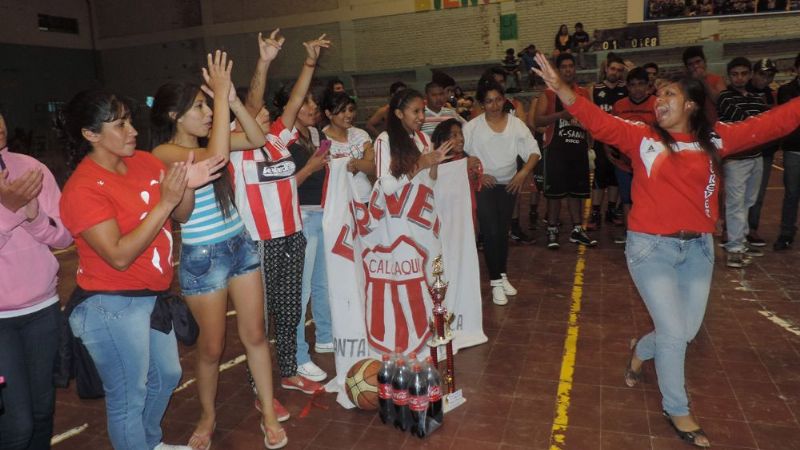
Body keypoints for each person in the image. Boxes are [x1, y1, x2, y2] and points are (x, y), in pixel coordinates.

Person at [532, 51, 800, 449]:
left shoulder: (714, 139)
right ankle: (677, 407)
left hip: (698, 251)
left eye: (669, 94)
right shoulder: (642, 138)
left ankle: (641, 351)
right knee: (675, 333)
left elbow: (769, 124)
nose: (659, 100)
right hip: (650, 250)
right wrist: (561, 89)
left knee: (684, 332)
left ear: (690, 104)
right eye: (658, 95)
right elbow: (597, 121)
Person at [59, 89, 225, 450]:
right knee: (128, 397)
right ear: (90, 134)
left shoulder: (146, 162)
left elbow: (180, 214)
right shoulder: (83, 189)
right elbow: (119, 255)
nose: (132, 130)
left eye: (130, 121)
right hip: (110, 304)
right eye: (120, 125)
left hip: (150, 298)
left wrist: (187, 187)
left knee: (167, 375)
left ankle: (149, 443)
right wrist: (165, 201)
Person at [149, 44, 288, 449]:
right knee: (211, 347)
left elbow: (260, 138)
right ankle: (208, 416)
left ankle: (267, 413)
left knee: (256, 335)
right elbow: (217, 155)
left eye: (208, 107)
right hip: (203, 256)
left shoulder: (212, 136)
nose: (208, 113)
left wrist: (230, 101)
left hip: (239, 244)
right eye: (200, 107)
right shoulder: (164, 152)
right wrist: (224, 107)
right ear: (175, 115)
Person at [230, 34, 331, 399]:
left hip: (293, 233)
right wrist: (264, 62)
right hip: (258, 241)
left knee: (289, 311)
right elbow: (254, 101)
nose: (266, 112)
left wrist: (309, 61)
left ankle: (288, 370)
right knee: (258, 321)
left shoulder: (276, 137)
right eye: (255, 111)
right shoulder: (234, 141)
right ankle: (260, 384)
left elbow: (296, 101)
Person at [0, 113, 72, 450]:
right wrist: (10, 210)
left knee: (43, 412)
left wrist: (34, 218)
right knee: (16, 426)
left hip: (42, 310)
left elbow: (62, 236)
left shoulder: (30, 167)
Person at [464, 78, 540, 305]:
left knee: (502, 231)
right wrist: (478, 173)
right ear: (481, 104)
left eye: (498, 100)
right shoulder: (472, 127)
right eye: (489, 101)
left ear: (504, 100)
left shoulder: (516, 124)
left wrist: (522, 174)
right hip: (484, 186)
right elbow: (463, 155)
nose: (494, 105)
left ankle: (503, 274)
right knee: (490, 231)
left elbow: (534, 152)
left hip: (509, 185)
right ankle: (495, 281)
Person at [281, 86, 333, 383]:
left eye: (315, 102)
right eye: (306, 102)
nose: (313, 107)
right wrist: (312, 166)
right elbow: (282, 188)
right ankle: (299, 356)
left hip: (322, 213)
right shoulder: (285, 140)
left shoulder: (317, 135)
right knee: (300, 292)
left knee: (322, 283)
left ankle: (325, 336)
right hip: (300, 216)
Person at [534, 53, 597, 249]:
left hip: (578, 148)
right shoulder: (550, 93)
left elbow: (594, 119)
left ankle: (577, 230)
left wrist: (590, 138)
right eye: (564, 67)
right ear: (558, 71)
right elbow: (537, 120)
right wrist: (562, 114)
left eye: (571, 66)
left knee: (576, 193)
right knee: (555, 194)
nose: (569, 70)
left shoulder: (584, 93)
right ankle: (552, 229)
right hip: (556, 149)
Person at [716, 56, 771, 268]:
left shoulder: (757, 98)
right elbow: (748, 122)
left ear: (750, 74)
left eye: (744, 73)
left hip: (756, 157)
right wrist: (758, 121)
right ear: (728, 76)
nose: (739, 78)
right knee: (735, 204)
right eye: (735, 74)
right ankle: (734, 248)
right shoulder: (725, 98)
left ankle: (742, 240)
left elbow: (763, 125)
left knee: (749, 202)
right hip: (735, 160)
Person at [609, 67, 658, 244]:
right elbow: (610, 132)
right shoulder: (619, 106)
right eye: (633, 85)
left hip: (649, 164)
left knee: (650, 199)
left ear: (648, 86)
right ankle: (631, 234)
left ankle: (651, 233)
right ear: (627, 87)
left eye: (641, 84)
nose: (637, 89)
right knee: (627, 199)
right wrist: (609, 154)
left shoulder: (657, 104)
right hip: (624, 163)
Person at [587, 54, 628, 231]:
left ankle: (611, 210)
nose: (615, 73)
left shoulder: (626, 89)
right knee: (599, 177)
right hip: (600, 139)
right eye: (613, 69)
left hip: (619, 140)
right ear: (606, 69)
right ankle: (595, 212)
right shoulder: (594, 89)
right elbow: (590, 117)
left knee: (615, 177)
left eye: (619, 70)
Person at [746, 58, 779, 247]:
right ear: (754, 73)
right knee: (737, 193)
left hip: (764, 152)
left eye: (769, 75)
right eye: (762, 74)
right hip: (741, 151)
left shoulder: (771, 95)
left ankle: (752, 228)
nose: (765, 79)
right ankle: (731, 229)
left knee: (757, 193)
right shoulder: (740, 91)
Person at [322, 91, 375, 203]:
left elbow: (372, 168)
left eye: (351, 110)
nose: (349, 115)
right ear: (328, 113)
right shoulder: (322, 139)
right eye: (342, 111)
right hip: (340, 203)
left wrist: (351, 163)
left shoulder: (361, 134)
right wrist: (360, 163)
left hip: (366, 199)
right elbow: (325, 174)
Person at [431, 119, 482, 229]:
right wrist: (463, 167)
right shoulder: (436, 163)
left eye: (461, 134)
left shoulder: (465, 158)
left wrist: (475, 178)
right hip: (448, 218)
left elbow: (473, 187)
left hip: (467, 214)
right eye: (454, 135)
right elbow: (438, 185)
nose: (460, 139)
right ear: (442, 140)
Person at [775, 52, 800, 251]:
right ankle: (786, 232)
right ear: (797, 69)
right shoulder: (786, 90)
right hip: (794, 150)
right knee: (791, 194)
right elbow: (787, 121)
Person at [683, 46, 726, 122]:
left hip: (716, 125)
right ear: (687, 68)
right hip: (694, 126)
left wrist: (702, 80)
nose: (695, 66)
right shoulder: (684, 83)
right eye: (691, 64)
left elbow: (722, 102)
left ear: (705, 61)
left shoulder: (717, 79)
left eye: (698, 62)